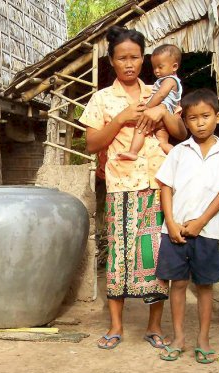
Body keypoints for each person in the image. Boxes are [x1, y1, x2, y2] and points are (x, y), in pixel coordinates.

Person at [79, 26, 187, 350]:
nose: (129, 64)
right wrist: (122, 118)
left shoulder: (161, 91)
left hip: (156, 184)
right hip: (120, 185)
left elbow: (181, 131)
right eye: (122, 58)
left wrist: (162, 112)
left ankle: (154, 326)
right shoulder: (102, 99)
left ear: (144, 59)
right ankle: (116, 327)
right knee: (119, 255)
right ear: (112, 60)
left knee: (156, 256)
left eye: (135, 57)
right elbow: (91, 143)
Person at [155, 89, 219, 363]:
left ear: (218, 116)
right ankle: (179, 337)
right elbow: (165, 186)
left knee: (205, 286)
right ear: (186, 121)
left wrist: (201, 221)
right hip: (176, 231)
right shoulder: (180, 152)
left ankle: (203, 339)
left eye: (206, 116)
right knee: (177, 285)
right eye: (193, 118)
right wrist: (170, 222)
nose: (200, 123)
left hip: (207, 233)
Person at [119, 44, 182, 160]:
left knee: (140, 127)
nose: (156, 71)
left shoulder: (169, 80)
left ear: (174, 67)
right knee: (162, 142)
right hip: (165, 119)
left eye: (160, 67)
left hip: (162, 114)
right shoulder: (169, 81)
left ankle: (133, 152)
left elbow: (160, 95)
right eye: (154, 68)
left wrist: (147, 107)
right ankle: (180, 157)